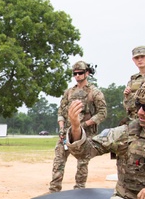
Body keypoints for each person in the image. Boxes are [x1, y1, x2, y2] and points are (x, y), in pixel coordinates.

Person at [48, 61, 107, 193]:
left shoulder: (94, 92)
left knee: (82, 162)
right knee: (58, 160)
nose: (77, 76)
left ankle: (79, 191)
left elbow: (102, 113)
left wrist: (85, 125)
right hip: (67, 132)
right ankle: (54, 191)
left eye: (80, 73)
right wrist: (62, 127)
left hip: (85, 133)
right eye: (74, 73)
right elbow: (61, 111)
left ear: (87, 73)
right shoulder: (69, 92)